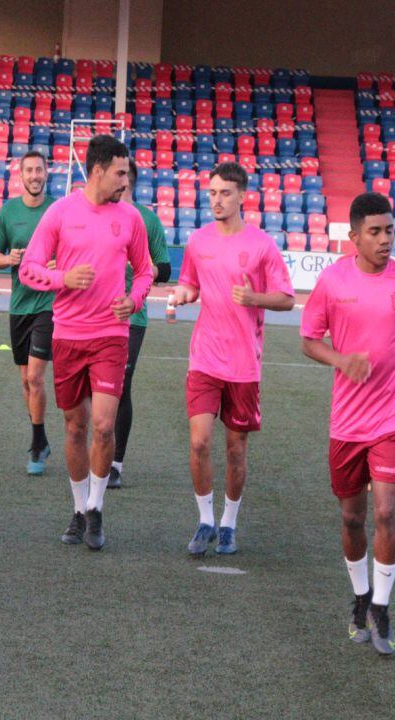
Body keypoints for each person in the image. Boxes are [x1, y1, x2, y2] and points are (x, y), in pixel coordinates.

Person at [300, 192, 395, 656]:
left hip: (393, 415)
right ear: (353, 237)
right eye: (374, 232)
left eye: (389, 230)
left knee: (385, 512)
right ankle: (359, 596)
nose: (384, 239)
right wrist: (341, 360)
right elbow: (309, 339)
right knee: (352, 516)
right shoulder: (333, 282)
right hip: (347, 421)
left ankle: (381, 605)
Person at [19, 134, 152, 550]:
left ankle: (96, 509)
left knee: (103, 424)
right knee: (75, 427)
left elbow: (146, 271)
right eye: (119, 172)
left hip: (111, 336)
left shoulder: (129, 218)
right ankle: (78, 511)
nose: (125, 180)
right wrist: (63, 279)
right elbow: (28, 268)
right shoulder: (61, 213)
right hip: (69, 335)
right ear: (97, 170)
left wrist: (135, 299)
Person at [171, 162, 294, 555]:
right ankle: (205, 519)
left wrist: (254, 298)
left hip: (244, 363)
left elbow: (287, 299)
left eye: (225, 193)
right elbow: (190, 282)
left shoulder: (261, 245)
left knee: (235, 450)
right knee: (199, 441)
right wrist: (183, 294)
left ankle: (229, 523)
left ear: (243, 196)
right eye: (212, 193)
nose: (217, 200)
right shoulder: (198, 241)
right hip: (204, 357)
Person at [0, 150, 56, 474]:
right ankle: (40, 440)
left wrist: (57, 264)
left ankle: (36, 443)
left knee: (35, 376)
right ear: (21, 175)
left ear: (47, 173)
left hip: (48, 305)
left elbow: (69, 250)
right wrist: (10, 259)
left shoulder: (56, 210)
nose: (34, 176)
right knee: (25, 383)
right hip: (19, 306)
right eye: (28, 170)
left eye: (38, 170)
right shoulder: (8, 212)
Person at [108, 157, 172, 489]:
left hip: (134, 316)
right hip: (96, 315)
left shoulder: (147, 220)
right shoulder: (100, 213)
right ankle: (99, 453)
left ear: (127, 180)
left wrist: (145, 267)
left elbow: (165, 267)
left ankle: (116, 463)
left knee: (121, 385)